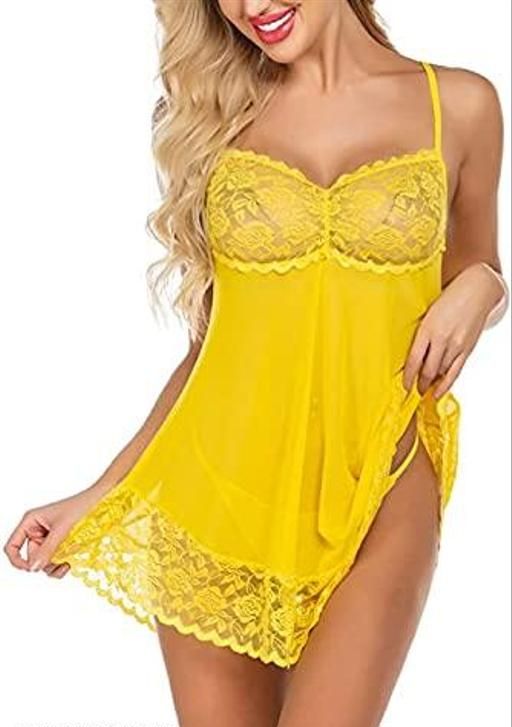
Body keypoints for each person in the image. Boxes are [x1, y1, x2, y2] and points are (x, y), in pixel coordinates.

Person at [4, 1, 509, 725]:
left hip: (382, 481)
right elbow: (214, 347)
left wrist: (485, 286)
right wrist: (102, 491)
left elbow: (479, 266)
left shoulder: (458, 104)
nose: (249, 6)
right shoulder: (217, 117)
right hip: (221, 492)